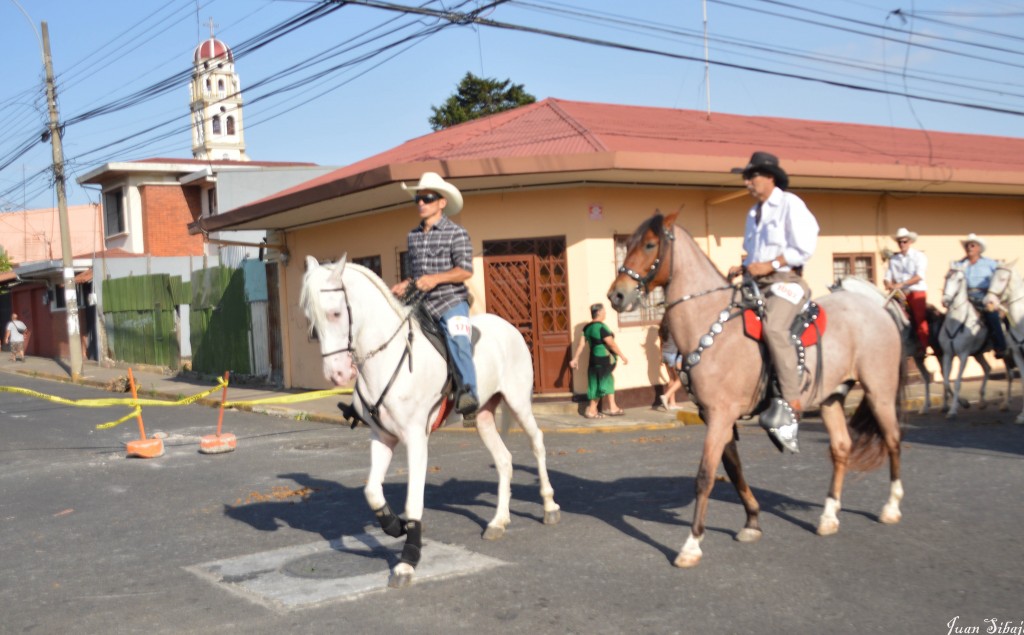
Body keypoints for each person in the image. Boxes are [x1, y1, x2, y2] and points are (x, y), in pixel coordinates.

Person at [727, 151, 819, 453]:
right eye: (747, 177)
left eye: (752, 176)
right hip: (756, 283)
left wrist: (771, 264)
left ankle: (792, 400)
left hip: (786, 281)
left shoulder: (790, 204)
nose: (748, 182)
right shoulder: (752, 213)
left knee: (775, 328)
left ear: (770, 178)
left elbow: (806, 244)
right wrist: (746, 267)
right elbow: (752, 253)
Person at [390, 172, 479, 416]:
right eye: (417, 199)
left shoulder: (456, 233)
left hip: (451, 301)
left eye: (427, 198)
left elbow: (465, 270)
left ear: (442, 203)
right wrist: (404, 284)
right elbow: (416, 275)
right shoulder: (413, 236)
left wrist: (436, 279)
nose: (421, 203)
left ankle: (469, 396)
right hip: (420, 303)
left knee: (458, 341)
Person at [569, 303, 629, 418]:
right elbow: (611, 344)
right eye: (604, 311)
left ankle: (613, 407)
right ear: (599, 313)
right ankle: (591, 410)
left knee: (607, 381)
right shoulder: (601, 327)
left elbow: (581, 345)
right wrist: (622, 356)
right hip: (604, 360)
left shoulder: (587, 328)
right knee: (600, 383)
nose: (605, 313)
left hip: (593, 360)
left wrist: (575, 358)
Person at [957, 233, 1007, 358]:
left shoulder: (990, 263)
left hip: (985, 295)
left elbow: (1000, 278)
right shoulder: (960, 264)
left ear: (979, 248)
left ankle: (1000, 347)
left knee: (992, 315)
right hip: (966, 297)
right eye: (967, 246)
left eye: (972, 245)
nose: (969, 248)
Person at [884, 227, 930, 355]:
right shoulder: (894, 259)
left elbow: (919, 276)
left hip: (915, 290)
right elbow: (887, 276)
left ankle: (923, 346)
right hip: (899, 293)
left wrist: (902, 284)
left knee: (919, 318)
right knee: (885, 311)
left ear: (910, 242)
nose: (902, 244)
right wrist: (888, 283)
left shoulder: (919, 256)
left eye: (904, 241)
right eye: (899, 242)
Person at [658, 322, 683, 411]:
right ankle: (666, 396)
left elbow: (661, 343)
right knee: (681, 379)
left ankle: (672, 403)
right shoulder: (675, 329)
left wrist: (660, 356)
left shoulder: (662, 330)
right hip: (674, 355)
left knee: (672, 379)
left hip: (665, 354)